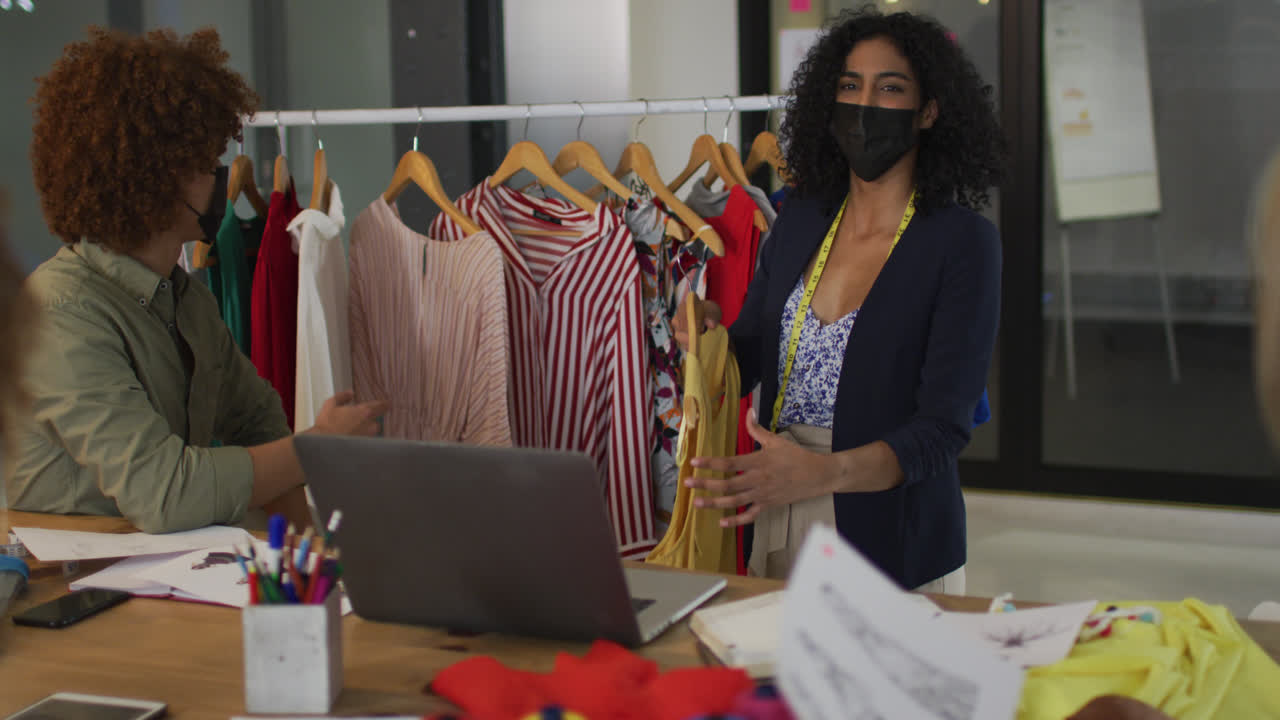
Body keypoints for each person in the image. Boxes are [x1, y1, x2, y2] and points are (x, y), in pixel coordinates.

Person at [3, 27, 386, 533]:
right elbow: (165, 493)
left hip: (158, 587)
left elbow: (260, 425)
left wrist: (317, 550)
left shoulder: (185, 301)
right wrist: (317, 445)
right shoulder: (63, 313)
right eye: (205, 163)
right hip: (69, 595)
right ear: (153, 177)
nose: (221, 175)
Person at [676, 7, 1004, 592]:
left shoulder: (961, 243)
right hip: (776, 508)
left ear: (928, 111)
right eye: (850, 85)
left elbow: (942, 429)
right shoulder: (801, 217)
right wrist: (707, 336)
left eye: (891, 88)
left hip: (891, 530)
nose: (865, 104)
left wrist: (821, 474)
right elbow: (750, 349)